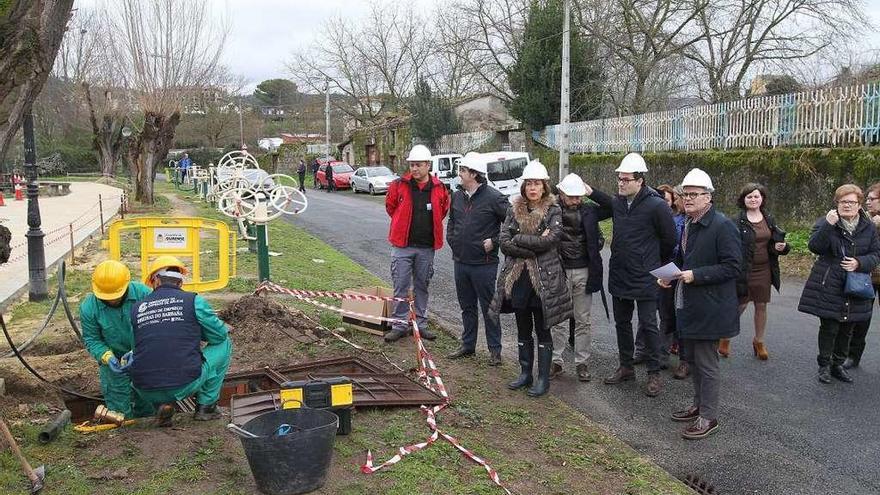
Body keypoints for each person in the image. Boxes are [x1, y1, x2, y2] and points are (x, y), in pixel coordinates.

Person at [660, 168, 741, 440]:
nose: (689, 198)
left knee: (707, 364)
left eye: (695, 194)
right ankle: (698, 406)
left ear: (709, 197)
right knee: (693, 361)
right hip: (690, 304)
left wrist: (697, 275)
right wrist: (671, 277)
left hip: (711, 307)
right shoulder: (690, 223)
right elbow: (687, 260)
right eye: (686, 194)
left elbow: (732, 267)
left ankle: (709, 417)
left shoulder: (722, 225)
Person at [595, 152, 677, 397]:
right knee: (621, 323)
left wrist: (652, 262)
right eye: (619, 178)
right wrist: (588, 191)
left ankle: (653, 373)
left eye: (626, 179)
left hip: (645, 275)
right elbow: (601, 201)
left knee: (649, 324)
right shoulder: (618, 202)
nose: (621, 183)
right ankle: (626, 367)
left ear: (640, 180)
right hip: (620, 272)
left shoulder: (657, 205)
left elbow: (670, 239)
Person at [490, 160, 572, 398]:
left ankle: (543, 378)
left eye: (537, 184)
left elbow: (550, 241)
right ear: (524, 186)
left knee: (543, 330)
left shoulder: (554, 211)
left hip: (544, 280)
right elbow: (504, 242)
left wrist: (520, 239)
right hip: (519, 278)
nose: (532, 188)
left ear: (544, 186)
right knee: (522, 327)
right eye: (529, 184)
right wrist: (530, 244)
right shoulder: (513, 209)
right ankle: (525, 373)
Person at [130, 256, 232, 426]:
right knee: (224, 344)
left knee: (151, 356)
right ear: (180, 283)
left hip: (143, 389)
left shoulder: (137, 308)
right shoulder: (193, 301)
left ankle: (162, 405)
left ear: (155, 280)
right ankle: (206, 407)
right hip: (183, 384)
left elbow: (139, 347)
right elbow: (219, 336)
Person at [798, 184, 880, 385]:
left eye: (851, 202)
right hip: (831, 281)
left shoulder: (868, 226)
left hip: (856, 282)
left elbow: (876, 254)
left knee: (848, 327)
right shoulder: (827, 221)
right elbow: (815, 246)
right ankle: (824, 366)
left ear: (859, 204)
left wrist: (859, 263)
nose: (847, 205)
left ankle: (838, 365)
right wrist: (827, 225)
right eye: (843, 201)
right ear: (837, 203)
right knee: (830, 326)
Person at [446, 153, 509, 366]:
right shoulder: (456, 196)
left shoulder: (494, 197)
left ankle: (495, 350)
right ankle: (468, 344)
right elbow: (452, 222)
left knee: (489, 308)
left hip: (484, 265)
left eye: (463, 170)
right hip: (461, 262)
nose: (459, 174)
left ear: (474, 174)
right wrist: (453, 240)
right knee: (467, 306)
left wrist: (495, 240)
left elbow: (512, 224)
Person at [384, 144, 450, 343]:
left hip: (426, 248)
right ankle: (399, 325)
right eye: (412, 165)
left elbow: (444, 210)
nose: (414, 169)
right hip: (402, 246)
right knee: (401, 285)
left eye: (418, 165)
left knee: (422, 285)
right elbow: (390, 207)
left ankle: (420, 325)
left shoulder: (439, 188)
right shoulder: (399, 185)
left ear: (428, 165)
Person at [548, 173, 611, 382]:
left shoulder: (590, 210)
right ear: (562, 194)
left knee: (583, 319)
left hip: (584, 269)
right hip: (559, 270)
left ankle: (581, 362)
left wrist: (592, 191)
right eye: (572, 196)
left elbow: (612, 206)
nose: (577, 200)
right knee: (559, 319)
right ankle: (556, 361)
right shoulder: (551, 209)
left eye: (580, 196)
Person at [79, 260, 153, 419]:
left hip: (145, 356)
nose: (112, 300)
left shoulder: (144, 295)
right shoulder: (89, 307)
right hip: (113, 360)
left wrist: (139, 351)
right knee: (117, 404)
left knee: (148, 398)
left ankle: (148, 427)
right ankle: (124, 433)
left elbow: (156, 330)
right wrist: (106, 356)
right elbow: (92, 339)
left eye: (116, 296)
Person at [728, 183, 790, 360]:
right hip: (744, 269)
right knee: (740, 305)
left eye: (756, 196)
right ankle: (725, 335)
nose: (753, 199)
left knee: (761, 305)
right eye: (749, 196)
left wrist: (783, 247)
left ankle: (759, 341)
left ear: (762, 199)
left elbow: (776, 243)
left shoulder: (768, 219)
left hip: (764, 269)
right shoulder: (736, 221)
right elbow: (730, 246)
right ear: (743, 199)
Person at [655, 184, 689, 379]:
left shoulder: (696, 222)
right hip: (671, 269)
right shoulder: (673, 219)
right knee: (666, 315)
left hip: (689, 274)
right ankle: (662, 355)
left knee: (683, 318)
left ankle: (686, 360)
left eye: (678, 198)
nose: (675, 202)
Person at [846, 182, 880, 369]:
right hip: (867, 276)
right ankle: (853, 355)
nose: (868, 202)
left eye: (872, 199)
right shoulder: (864, 220)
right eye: (866, 199)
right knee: (861, 317)